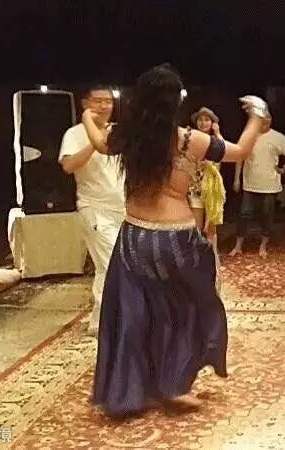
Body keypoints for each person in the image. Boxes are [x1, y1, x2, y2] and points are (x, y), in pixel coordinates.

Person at [82, 64, 267, 417]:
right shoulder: (189, 140)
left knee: (134, 313)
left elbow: (99, 143)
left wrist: (87, 118)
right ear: (175, 102)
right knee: (187, 311)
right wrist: (258, 115)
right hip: (176, 240)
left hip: (134, 236)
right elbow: (240, 151)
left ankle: (128, 394)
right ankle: (173, 384)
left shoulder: (127, 136)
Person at [58, 86, 124, 335]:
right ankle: (108, 321)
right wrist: (95, 143)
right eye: (98, 101)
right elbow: (68, 166)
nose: (104, 106)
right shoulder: (74, 133)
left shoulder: (119, 131)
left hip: (123, 208)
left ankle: (100, 320)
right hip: (94, 208)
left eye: (108, 101)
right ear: (85, 103)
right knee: (111, 263)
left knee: (111, 265)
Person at [229, 116, 285, 259]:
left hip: (269, 185)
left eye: (268, 118)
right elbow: (239, 157)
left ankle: (263, 245)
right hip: (250, 183)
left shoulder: (278, 137)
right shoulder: (248, 136)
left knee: (267, 214)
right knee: (244, 213)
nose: (265, 120)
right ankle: (238, 245)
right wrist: (236, 179)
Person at [189, 107, 226, 292]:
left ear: (212, 123)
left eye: (207, 120)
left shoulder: (216, 141)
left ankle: (214, 267)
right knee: (195, 230)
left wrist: (217, 133)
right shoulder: (192, 138)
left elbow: (224, 153)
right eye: (201, 120)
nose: (203, 123)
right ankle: (196, 266)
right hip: (195, 188)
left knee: (210, 230)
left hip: (212, 190)